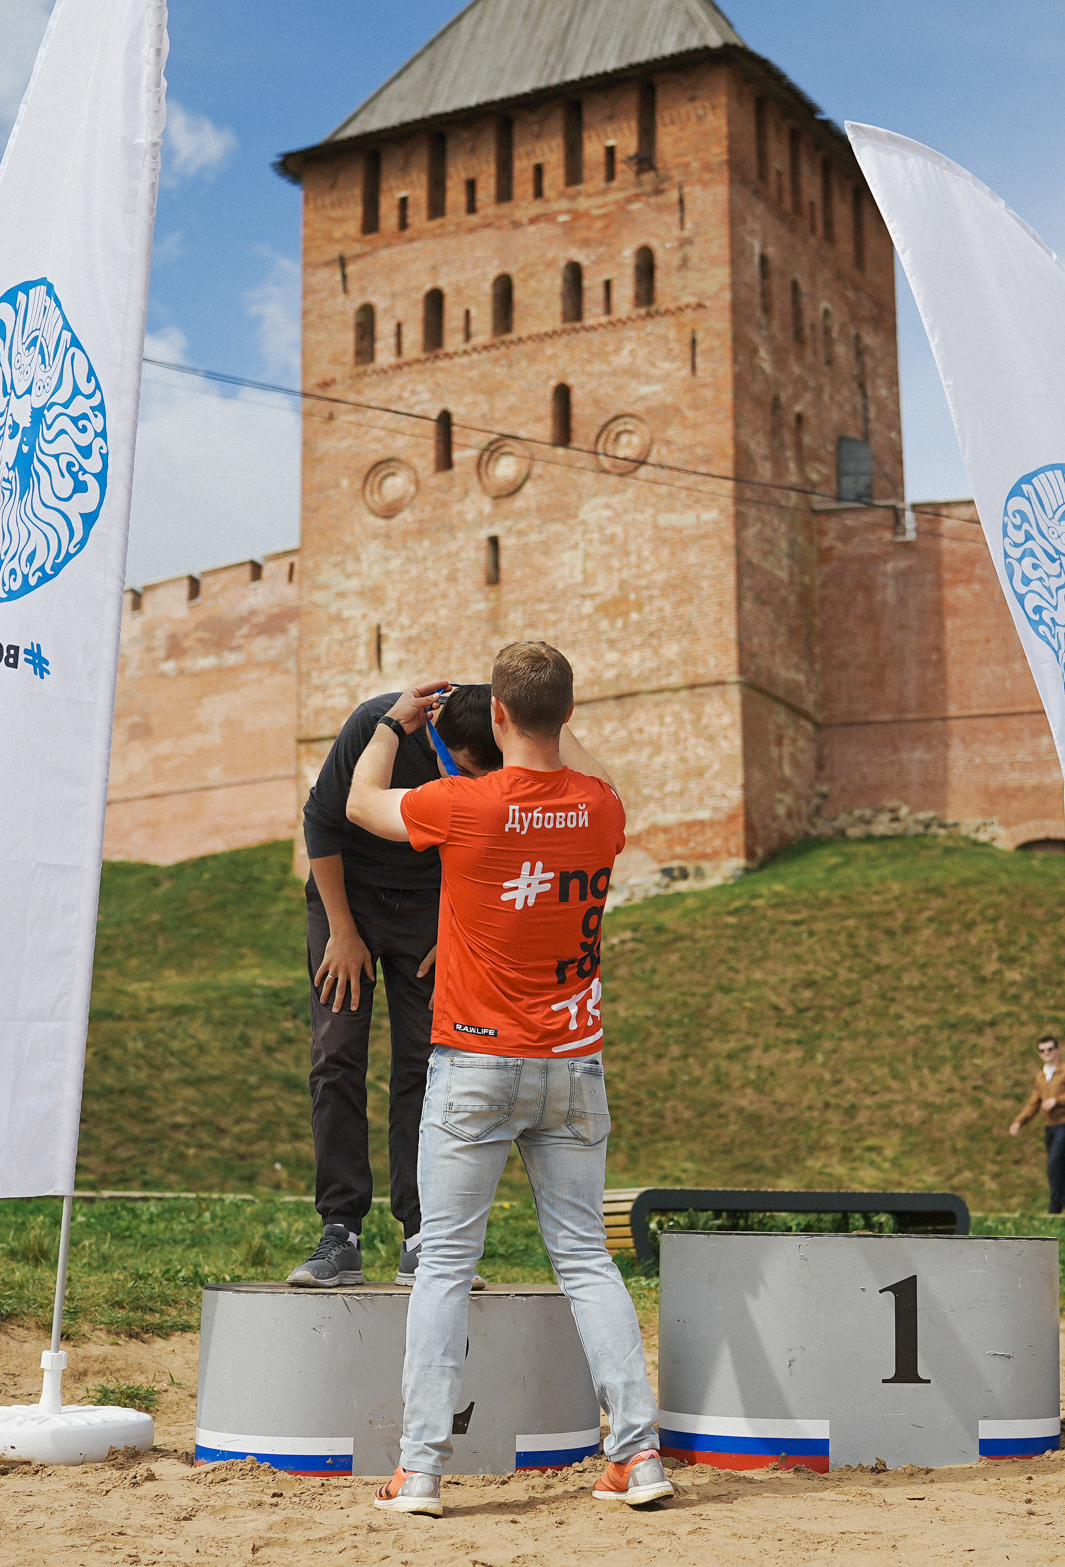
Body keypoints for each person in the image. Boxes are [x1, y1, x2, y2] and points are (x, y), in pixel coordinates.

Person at [345, 644, 671, 1518]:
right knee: (587, 1260)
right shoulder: (601, 810)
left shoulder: (466, 804)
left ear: (493, 719)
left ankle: (419, 1473)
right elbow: (594, 774)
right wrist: (557, 722)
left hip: (475, 1062)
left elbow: (358, 803)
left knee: (445, 1266)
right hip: (573, 1065)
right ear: (566, 714)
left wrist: (392, 722)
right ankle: (637, 1458)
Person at [289, 684, 503, 1289]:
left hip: (430, 910)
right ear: (435, 735)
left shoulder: (498, 746)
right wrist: (342, 932)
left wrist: (456, 928)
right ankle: (340, 1231)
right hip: (345, 897)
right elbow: (322, 822)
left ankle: (420, 1235)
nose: (470, 783)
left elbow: (490, 847)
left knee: (425, 1064)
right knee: (335, 1057)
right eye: (461, 769)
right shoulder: (374, 726)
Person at [1008, 1035, 1065, 1214]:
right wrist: (1019, 1121)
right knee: (1058, 1165)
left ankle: (1055, 1207)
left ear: (1057, 1050)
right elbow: (1034, 1103)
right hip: (1050, 1125)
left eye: (1050, 1049)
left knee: (1054, 1163)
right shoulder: (1041, 1076)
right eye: (1043, 1051)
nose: (1047, 1053)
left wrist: (1057, 1101)